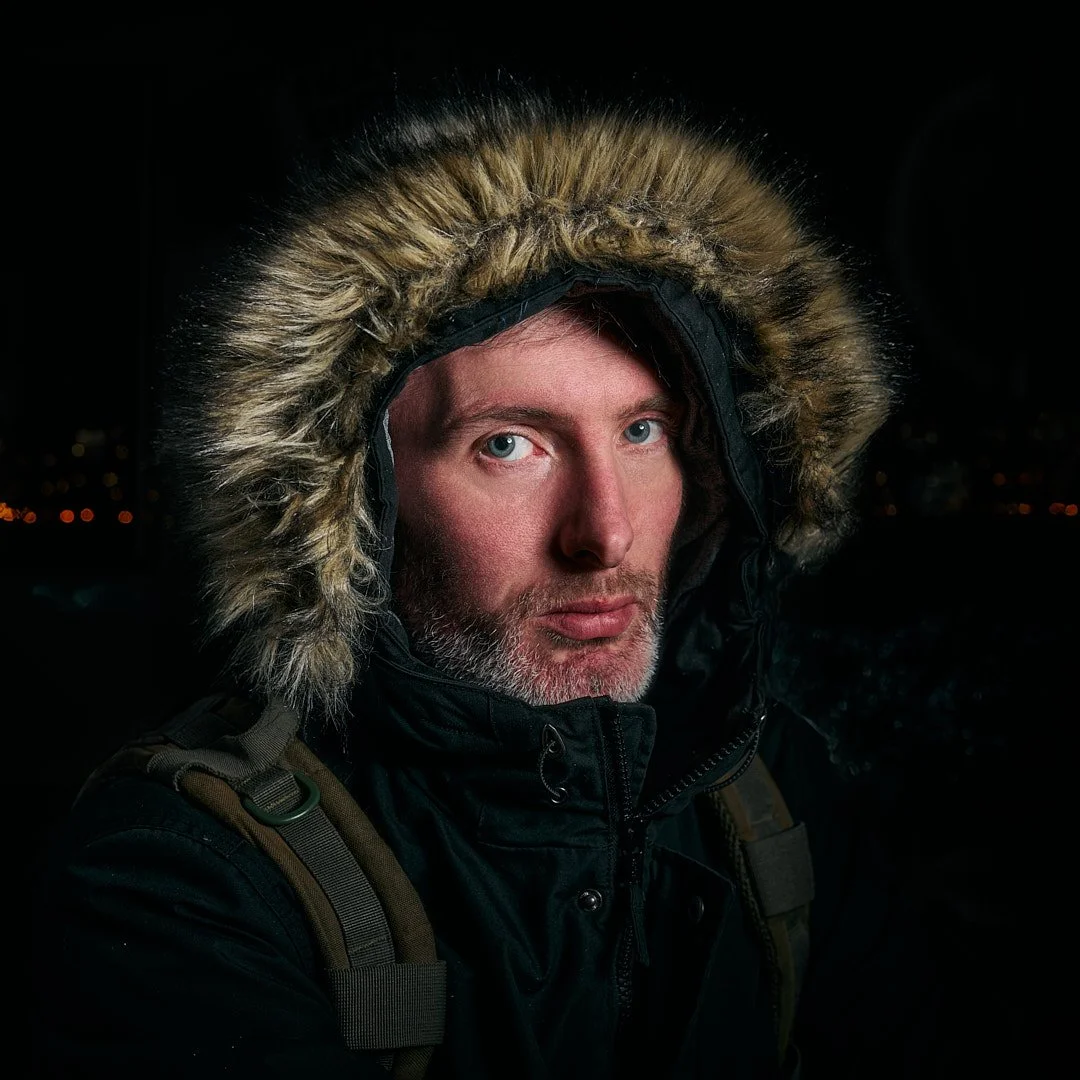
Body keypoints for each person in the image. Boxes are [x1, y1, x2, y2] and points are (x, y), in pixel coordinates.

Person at [33, 86, 945, 1078]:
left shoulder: (771, 793)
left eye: (643, 432)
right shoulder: (186, 873)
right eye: (509, 444)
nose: (606, 533)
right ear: (358, 501)